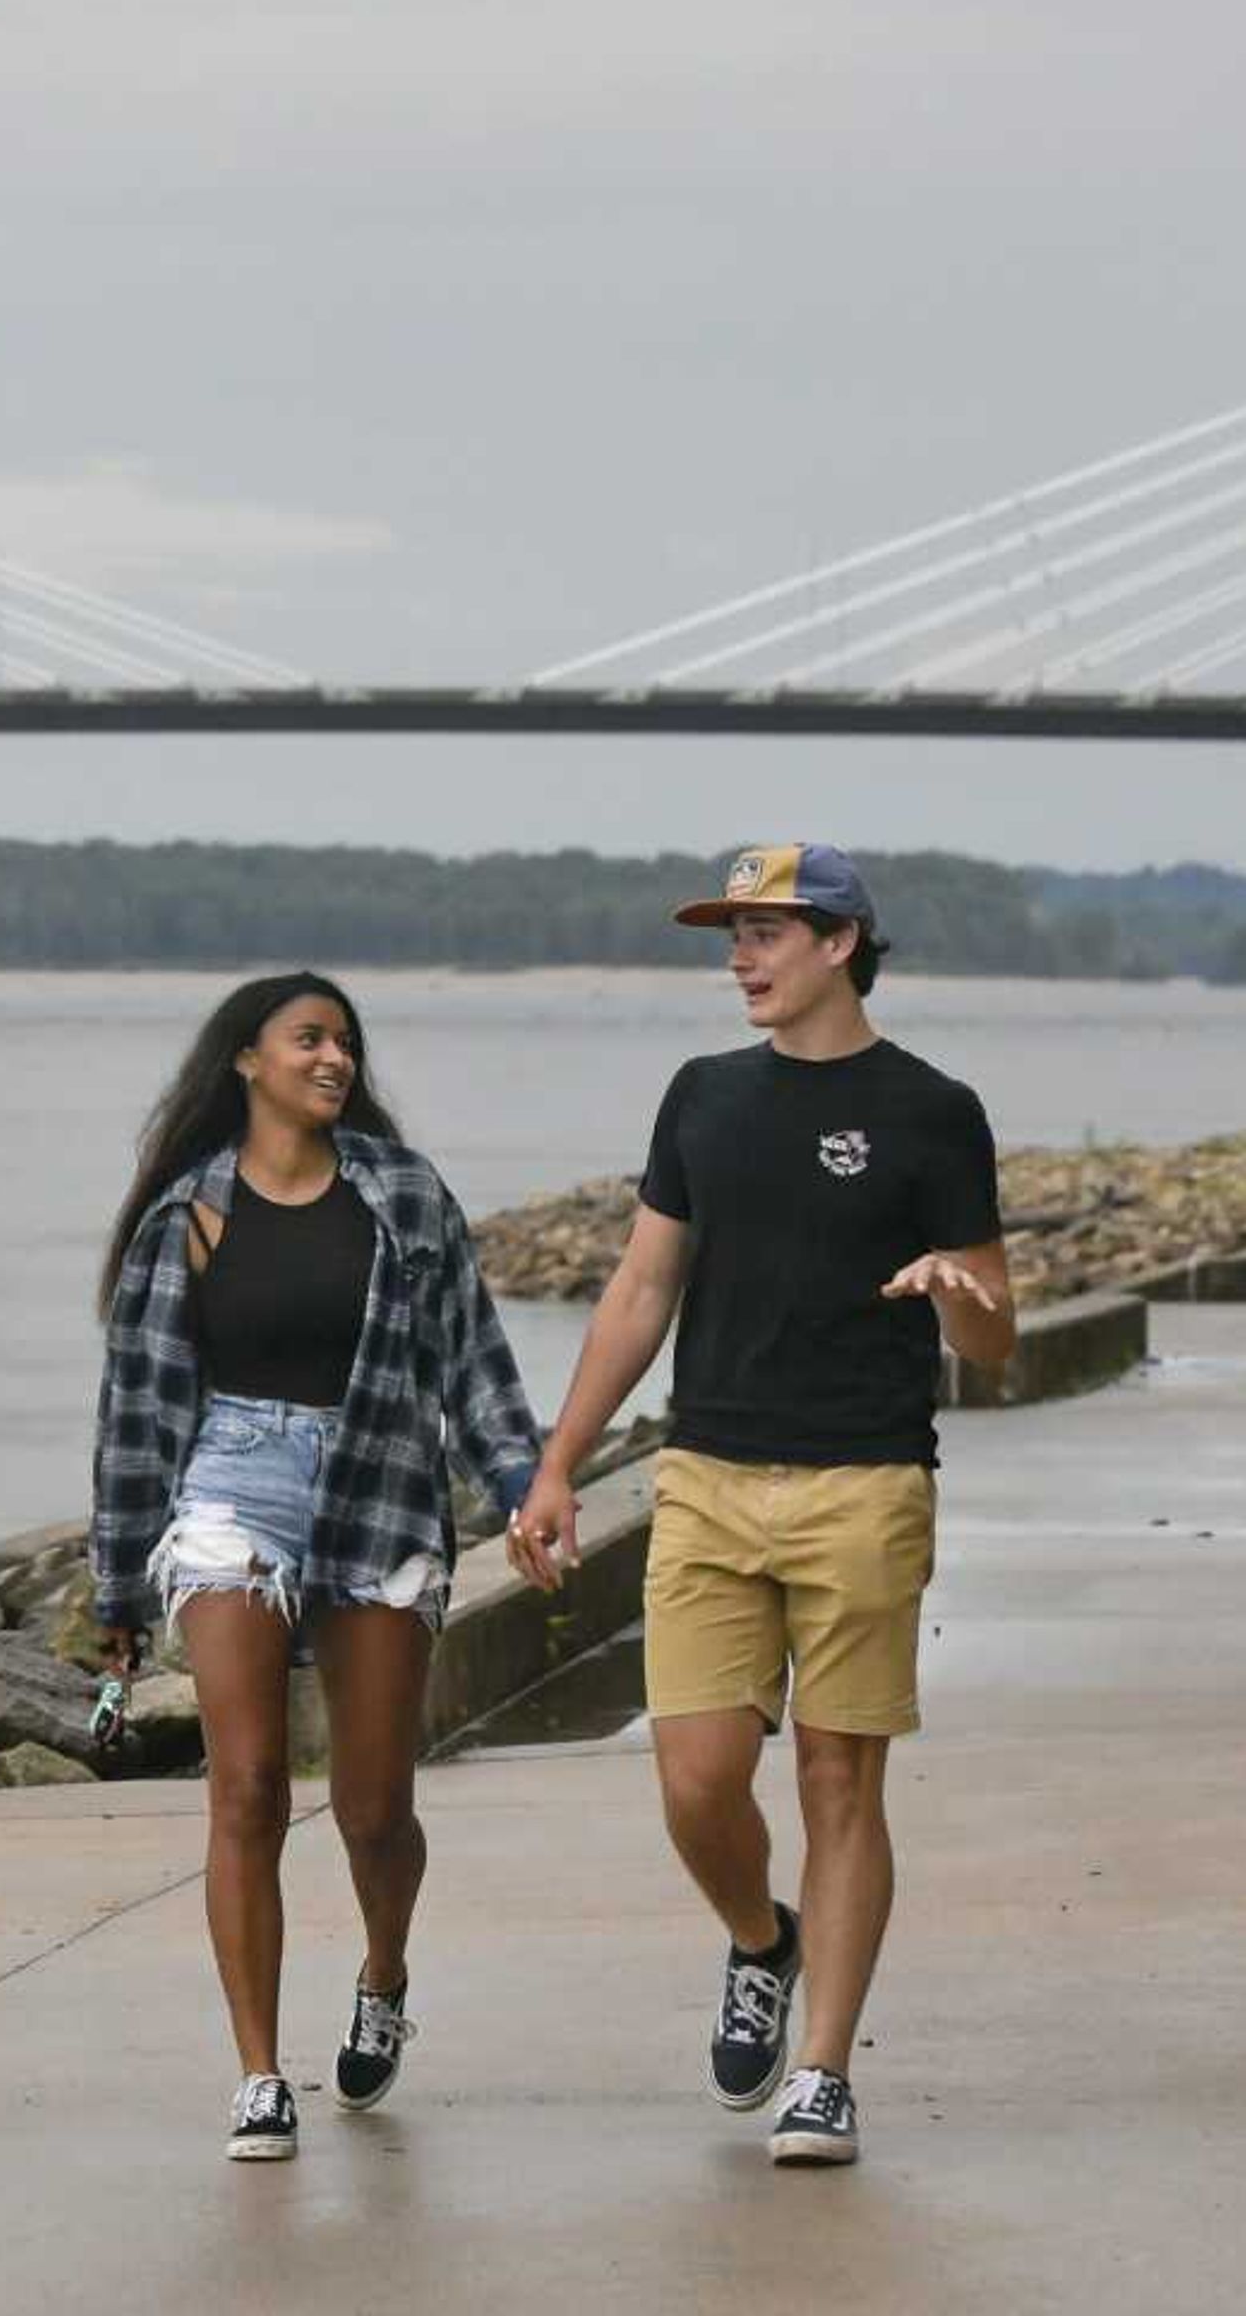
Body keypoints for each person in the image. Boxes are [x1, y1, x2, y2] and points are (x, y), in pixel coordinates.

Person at [509, 843, 1012, 2169]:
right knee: (696, 1782)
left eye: (765, 933)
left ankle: (825, 2072)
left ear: (840, 942)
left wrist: (965, 1300)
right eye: (730, 934)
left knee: (840, 1777)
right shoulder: (704, 1096)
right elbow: (638, 1290)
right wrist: (558, 1462)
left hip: (866, 1481)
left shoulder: (934, 1109)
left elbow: (1001, 1336)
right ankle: (758, 1939)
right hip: (710, 1476)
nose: (739, 955)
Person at [89, 971, 542, 2162]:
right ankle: (257, 2072)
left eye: (346, 1040)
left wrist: (526, 1491)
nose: (335, 1057)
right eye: (309, 1038)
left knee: (374, 1805)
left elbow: (476, 1364)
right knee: (245, 1784)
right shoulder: (187, 1216)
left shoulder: (401, 1194)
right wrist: (118, 1586)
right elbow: (136, 1412)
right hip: (232, 1480)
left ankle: (384, 1971)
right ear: (246, 1060)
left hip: (383, 1484)